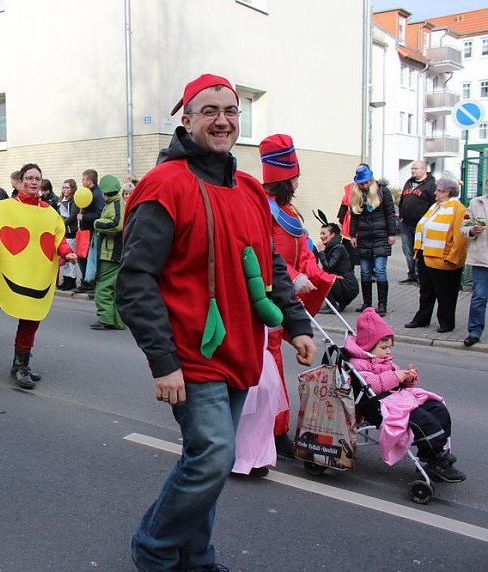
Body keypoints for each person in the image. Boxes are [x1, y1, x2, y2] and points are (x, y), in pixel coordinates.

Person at [116, 73, 315, 572]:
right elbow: (135, 282)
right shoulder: (164, 186)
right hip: (191, 354)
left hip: (241, 349)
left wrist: (296, 324)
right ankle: (153, 548)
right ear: (186, 120)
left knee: (211, 461)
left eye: (230, 111)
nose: (222, 120)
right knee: (212, 456)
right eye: (209, 111)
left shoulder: (248, 189)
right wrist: (163, 362)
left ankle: (196, 558)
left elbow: (270, 265)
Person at [258, 134, 334, 454]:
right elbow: (264, 252)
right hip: (264, 295)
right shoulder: (263, 207)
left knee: (273, 366)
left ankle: (273, 430)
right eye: (294, 177)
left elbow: (303, 250)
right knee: (269, 366)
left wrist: (317, 276)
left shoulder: (288, 209)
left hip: (283, 294)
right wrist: (293, 277)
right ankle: (270, 433)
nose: (297, 182)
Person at [0, 163, 77, 390]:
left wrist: (67, 253)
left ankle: (20, 365)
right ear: (20, 181)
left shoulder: (50, 212)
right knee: (27, 318)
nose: (34, 182)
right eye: (29, 178)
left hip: (39, 275)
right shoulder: (4, 207)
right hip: (14, 272)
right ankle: (19, 366)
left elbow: (58, 239)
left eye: (37, 178)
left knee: (32, 319)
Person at [346, 308, 465, 482]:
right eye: (384, 347)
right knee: (422, 420)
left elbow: (396, 381)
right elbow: (372, 385)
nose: (388, 351)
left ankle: (437, 452)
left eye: (390, 347)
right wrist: (397, 376)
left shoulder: (384, 360)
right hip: (377, 405)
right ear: (368, 346)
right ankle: (436, 459)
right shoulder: (359, 364)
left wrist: (408, 378)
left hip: (397, 398)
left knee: (437, 408)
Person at [405, 178, 468, 333]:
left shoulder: (458, 209)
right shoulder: (435, 206)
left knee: (446, 294)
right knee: (426, 291)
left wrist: (453, 258)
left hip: (443, 259)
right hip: (426, 255)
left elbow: (460, 238)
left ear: (447, 192)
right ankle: (422, 318)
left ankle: (446, 322)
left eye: (439, 190)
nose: (435, 193)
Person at [350, 165, 396, 315]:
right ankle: (367, 303)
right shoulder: (357, 195)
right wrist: (352, 235)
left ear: (371, 180)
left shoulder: (383, 191)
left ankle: (382, 305)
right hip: (364, 237)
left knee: (380, 270)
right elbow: (354, 216)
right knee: (365, 271)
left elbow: (390, 213)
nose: (364, 186)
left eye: (366, 182)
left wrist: (392, 234)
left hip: (381, 236)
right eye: (361, 183)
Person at [90, 174, 125, 330]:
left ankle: (106, 319)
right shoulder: (115, 202)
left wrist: (97, 223)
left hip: (111, 253)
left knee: (103, 287)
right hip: (113, 252)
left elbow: (116, 225)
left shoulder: (116, 204)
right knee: (113, 288)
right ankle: (117, 321)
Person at [399, 161, 436, 284]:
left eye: (416, 168)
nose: (413, 171)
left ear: (424, 169)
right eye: (412, 168)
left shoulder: (431, 184)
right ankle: (411, 274)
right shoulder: (409, 182)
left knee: (419, 250)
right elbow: (402, 199)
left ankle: (420, 276)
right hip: (406, 222)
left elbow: (433, 204)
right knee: (407, 250)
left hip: (421, 224)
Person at [462, 185, 488, 347]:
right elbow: (463, 227)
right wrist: (472, 230)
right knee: (479, 296)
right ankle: (475, 331)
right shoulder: (476, 203)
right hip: (481, 259)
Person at [73, 169, 106, 294]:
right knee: (82, 256)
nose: (82, 181)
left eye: (83, 179)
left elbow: (99, 213)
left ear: (89, 180)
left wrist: (84, 217)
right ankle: (86, 281)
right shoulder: (88, 192)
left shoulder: (97, 194)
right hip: (85, 231)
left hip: (92, 232)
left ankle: (90, 283)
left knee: (88, 258)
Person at [316, 217, 359, 312]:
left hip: (348, 286)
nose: (321, 236)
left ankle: (332, 306)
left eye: (324, 233)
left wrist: (321, 252)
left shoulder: (338, 248)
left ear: (332, 235)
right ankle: (339, 304)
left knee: (323, 279)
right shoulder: (332, 247)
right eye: (321, 234)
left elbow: (328, 267)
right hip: (344, 284)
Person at [57, 179, 80, 291]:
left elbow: (73, 216)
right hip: (64, 232)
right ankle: (66, 279)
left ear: (72, 189)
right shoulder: (62, 200)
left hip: (71, 232)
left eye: (67, 187)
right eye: (63, 187)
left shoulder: (74, 201)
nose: (65, 190)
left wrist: (62, 224)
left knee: (71, 257)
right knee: (65, 258)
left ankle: (71, 281)